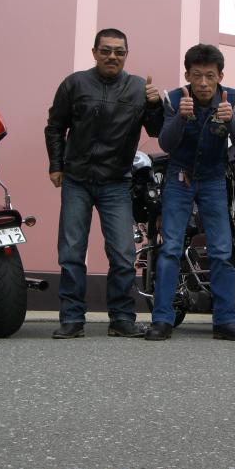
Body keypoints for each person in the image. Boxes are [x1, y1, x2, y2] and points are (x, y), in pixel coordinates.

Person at [45, 28, 163, 339]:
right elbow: (55, 126)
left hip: (117, 182)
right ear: (95, 52)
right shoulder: (74, 84)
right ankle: (72, 319)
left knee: (124, 254)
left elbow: (157, 131)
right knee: (72, 253)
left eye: (119, 52)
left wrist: (154, 105)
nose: (113, 56)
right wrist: (56, 165)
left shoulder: (139, 88)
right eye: (106, 50)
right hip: (77, 180)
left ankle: (122, 319)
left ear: (126, 55)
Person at [144, 44, 235, 342]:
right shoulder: (174, 98)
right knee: (170, 248)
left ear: (220, 76)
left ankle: (226, 322)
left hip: (214, 179)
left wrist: (231, 120)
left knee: (221, 251)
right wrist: (181, 117)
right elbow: (166, 144)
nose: (203, 83)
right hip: (179, 178)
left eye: (210, 76)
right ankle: (162, 320)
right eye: (197, 76)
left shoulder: (233, 98)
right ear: (188, 75)